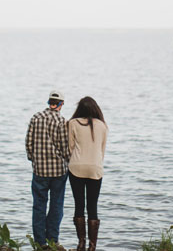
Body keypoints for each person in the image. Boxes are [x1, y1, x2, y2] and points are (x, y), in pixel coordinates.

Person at [26, 90, 70, 249]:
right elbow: (66, 149)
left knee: (38, 205)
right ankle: (53, 239)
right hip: (59, 171)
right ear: (61, 104)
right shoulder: (62, 121)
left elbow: (28, 144)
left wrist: (35, 160)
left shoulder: (35, 118)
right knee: (56, 205)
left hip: (39, 170)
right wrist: (66, 161)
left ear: (48, 102)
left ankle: (40, 242)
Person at [68, 96, 108, 251]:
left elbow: (70, 147)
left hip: (76, 167)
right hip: (95, 168)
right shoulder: (103, 126)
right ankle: (92, 246)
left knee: (79, 205)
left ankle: (81, 243)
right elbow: (102, 150)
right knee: (93, 206)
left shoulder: (72, 123)